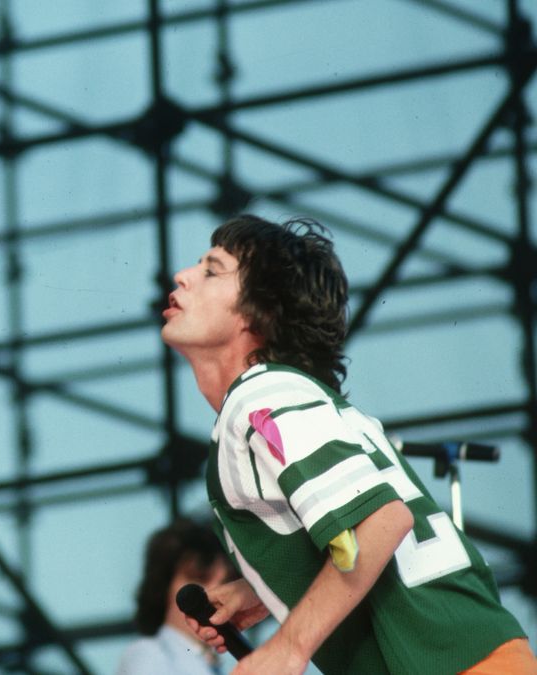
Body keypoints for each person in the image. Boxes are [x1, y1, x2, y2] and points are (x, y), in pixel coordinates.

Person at [160, 214, 535, 675]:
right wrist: (259, 589)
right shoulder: (292, 397)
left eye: (212, 270)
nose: (183, 275)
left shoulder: (260, 397)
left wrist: (288, 647)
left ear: (260, 313)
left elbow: (380, 521)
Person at [116, 518, 232, 675]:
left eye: (225, 583)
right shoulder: (148, 654)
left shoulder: (213, 663)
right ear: (163, 586)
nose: (215, 593)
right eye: (200, 578)